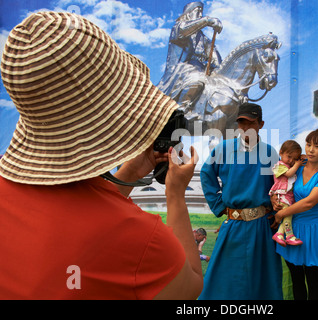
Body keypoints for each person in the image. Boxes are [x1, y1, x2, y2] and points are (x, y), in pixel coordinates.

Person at [0, 12, 202, 299]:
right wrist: (175, 195)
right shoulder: (143, 242)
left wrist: (129, 174)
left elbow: (77, 218)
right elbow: (190, 287)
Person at [199, 102, 282, 300]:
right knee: (222, 281)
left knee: (263, 282)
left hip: (262, 226)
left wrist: (277, 209)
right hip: (233, 225)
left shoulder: (270, 153)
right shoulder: (223, 149)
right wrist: (219, 205)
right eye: (241, 123)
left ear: (261, 124)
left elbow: (280, 185)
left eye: (250, 123)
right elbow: (206, 174)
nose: (245, 128)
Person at [272, 129, 318, 300]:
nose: (310, 150)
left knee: (313, 281)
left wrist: (282, 213)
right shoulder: (297, 167)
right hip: (291, 229)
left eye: (317, 146)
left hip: (313, 231)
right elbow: (281, 186)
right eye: (308, 145)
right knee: (296, 279)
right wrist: (274, 200)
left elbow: (309, 202)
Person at [158, 1, 223, 113]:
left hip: (202, 70)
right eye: (197, 11)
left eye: (202, 12)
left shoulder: (204, 39)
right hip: (182, 69)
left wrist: (219, 70)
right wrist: (207, 20)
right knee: (197, 79)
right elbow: (184, 30)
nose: (200, 15)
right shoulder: (178, 28)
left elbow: (216, 60)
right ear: (188, 14)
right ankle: (181, 110)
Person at [270, 140, 304, 247]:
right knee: (288, 216)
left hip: (287, 197)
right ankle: (289, 236)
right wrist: (297, 164)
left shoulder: (288, 166)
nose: (291, 161)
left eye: (294, 159)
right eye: (289, 157)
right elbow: (289, 174)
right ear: (281, 152)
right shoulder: (279, 165)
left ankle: (279, 234)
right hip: (282, 196)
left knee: (287, 216)